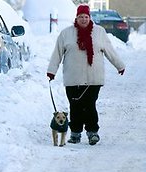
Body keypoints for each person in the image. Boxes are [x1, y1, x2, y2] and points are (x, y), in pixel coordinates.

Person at [47, 4, 125, 145]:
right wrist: (51, 71)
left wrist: (120, 66)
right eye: (81, 17)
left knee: (89, 105)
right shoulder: (66, 34)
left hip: (93, 78)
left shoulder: (99, 32)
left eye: (86, 17)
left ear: (90, 18)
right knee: (75, 106)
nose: (83, 19)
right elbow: (57, 54)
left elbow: (110, 51)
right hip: (73, 78)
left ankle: (92, 133)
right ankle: (75, 133)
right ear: (76, 18)